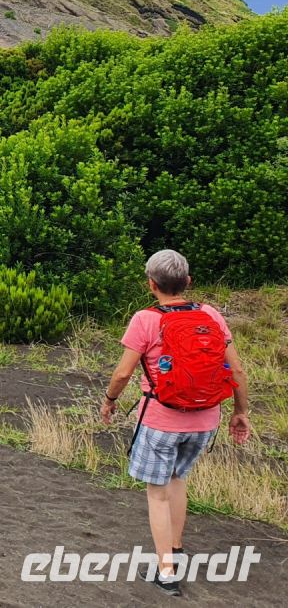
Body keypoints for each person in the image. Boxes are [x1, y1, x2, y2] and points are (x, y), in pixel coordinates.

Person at [100, 249, 251, 597]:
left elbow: (123, 373)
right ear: (188, 282)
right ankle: (176, 551)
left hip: (160, 419)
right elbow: (237, 369)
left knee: (157, 493)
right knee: (177, 479)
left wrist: (109, 402)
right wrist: (240, 412)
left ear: (151, 285)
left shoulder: (145, 319)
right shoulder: (210, 314)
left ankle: (166, 572)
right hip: (205, 421)